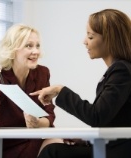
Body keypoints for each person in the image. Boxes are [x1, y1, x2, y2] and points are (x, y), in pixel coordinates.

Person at [31, 9, 131, 158]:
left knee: (52, 152)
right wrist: (87, 140)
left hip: (116, 152)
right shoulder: (118, 71)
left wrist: (61, 90)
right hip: (111, 147)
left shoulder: (121, 71)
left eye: (90, 36)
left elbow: (96, 116)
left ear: (109, 39)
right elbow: (111, 120)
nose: (84, 41)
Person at [0, 24, 56, 158]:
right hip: (1, 147)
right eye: (29, 46)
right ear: (12, 50)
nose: (36, 51)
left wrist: (38, 123)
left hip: (31, 145)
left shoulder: (42, 73)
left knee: (58, 144)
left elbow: (49, 114)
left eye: (38, 46)